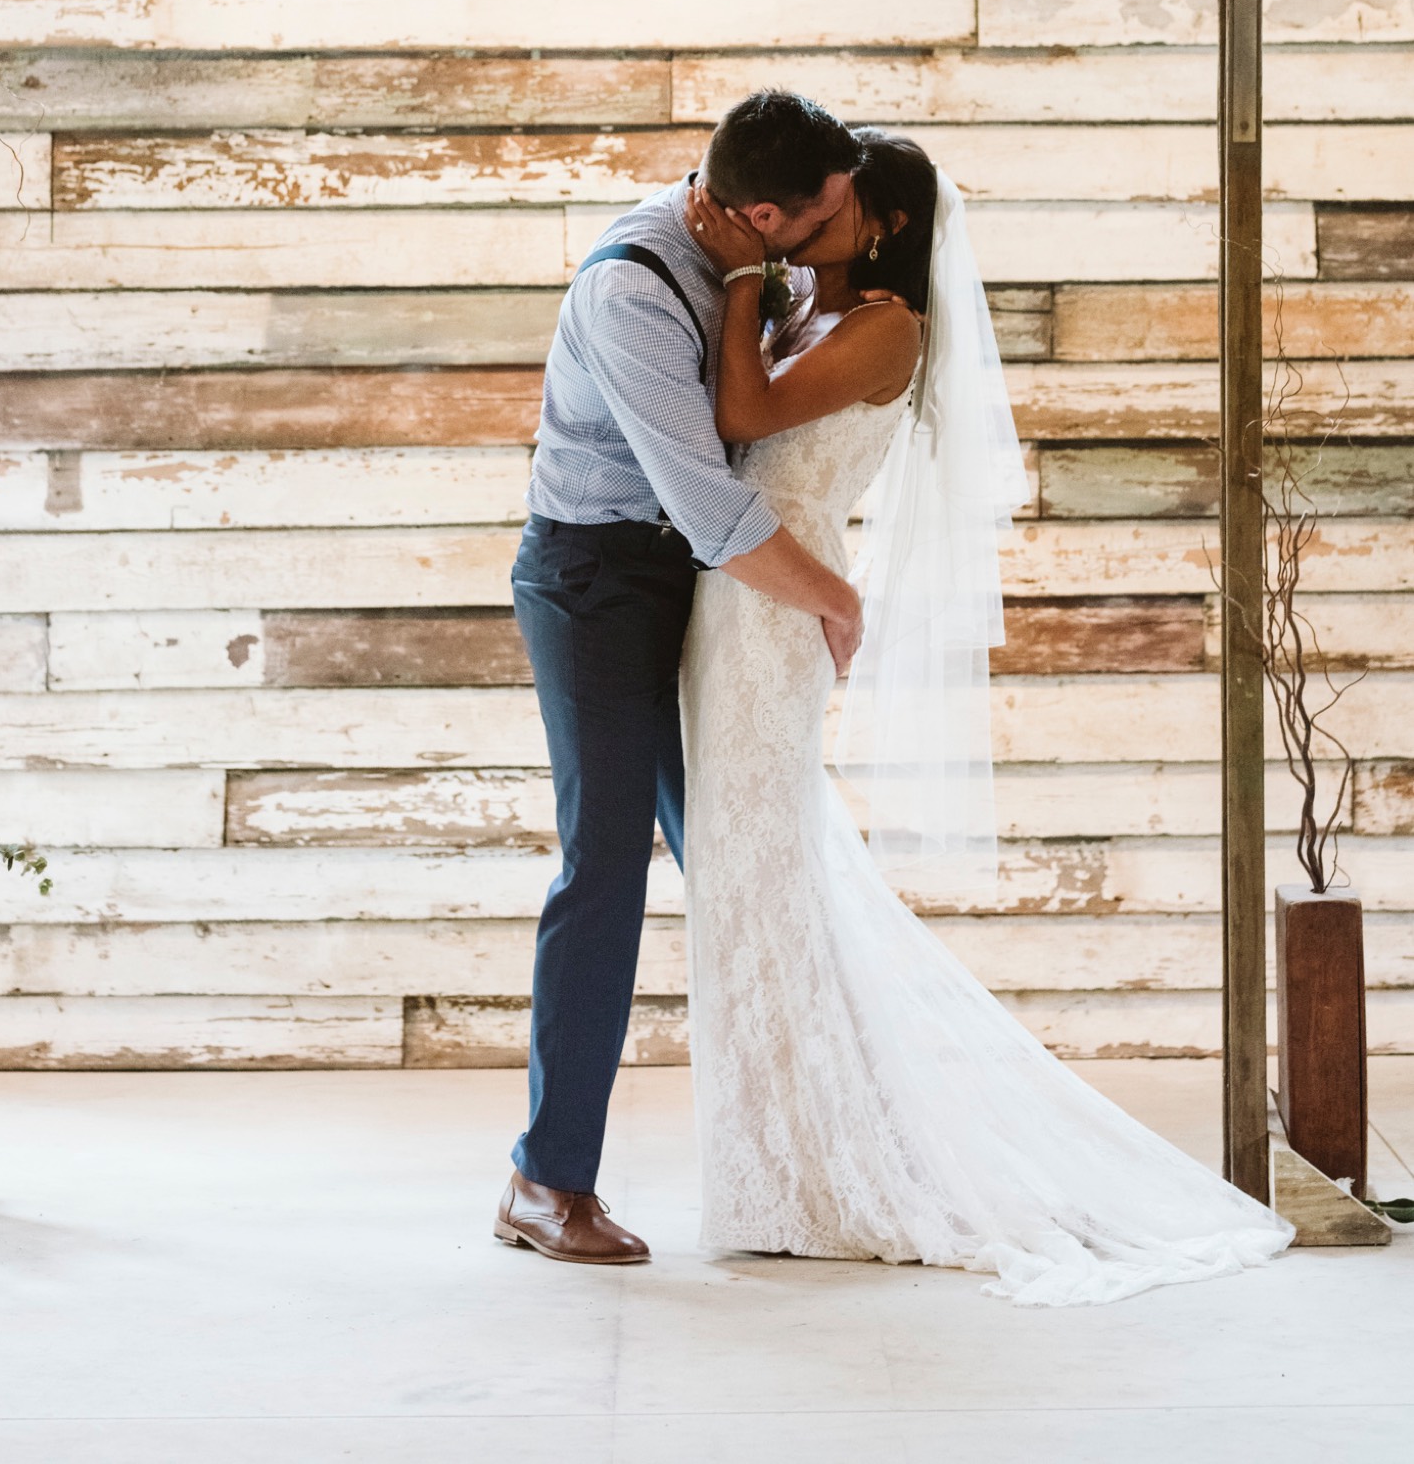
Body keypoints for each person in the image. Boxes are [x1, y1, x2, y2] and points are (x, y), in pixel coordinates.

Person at [680, 128, 1294, 1305]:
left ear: (886, 227)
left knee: (765, 876)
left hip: (777, 609)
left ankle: (818, 1175)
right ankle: (778, 1163)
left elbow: (745, 421)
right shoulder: (819, 311)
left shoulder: (886, 331)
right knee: (749, 878)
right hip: (736, 599)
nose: (802, 229)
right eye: (798, 215)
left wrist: (741, 272)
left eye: (826, 215)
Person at [494, 91, 866, 1266]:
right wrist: (837, 599)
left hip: (687, 585)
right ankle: (546, 1183)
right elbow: (709, 504)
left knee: (738, 853)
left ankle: (806, 1155)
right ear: (765, 215)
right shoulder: (632, 291)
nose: (836, 238)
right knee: (604, 868)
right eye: (831, 218)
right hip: (597, 585)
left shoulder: (749, 259)